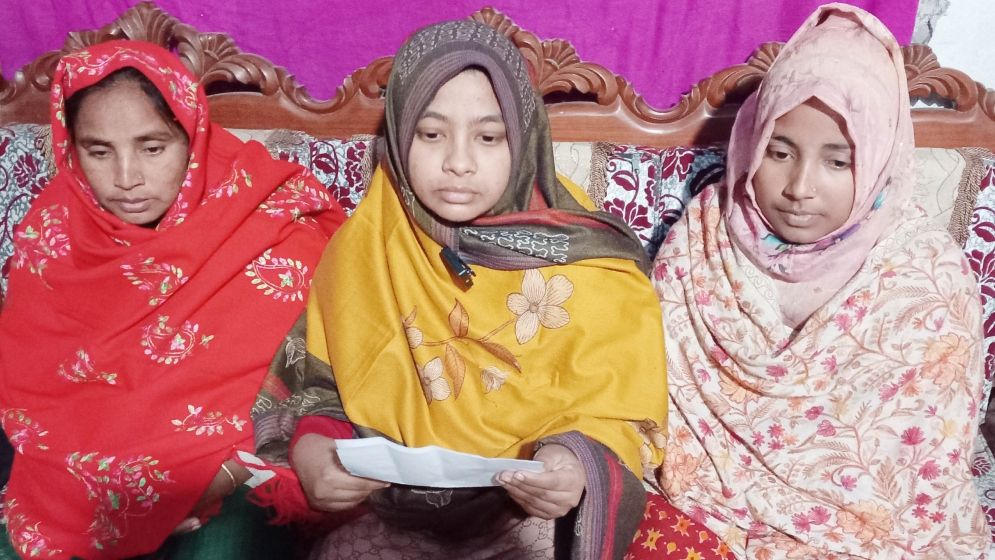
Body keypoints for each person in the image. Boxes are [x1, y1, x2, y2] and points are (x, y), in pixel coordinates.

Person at [253, 19, 667, 559]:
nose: (458, 162)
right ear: (400, 134)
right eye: (431, 134)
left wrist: (571, 466)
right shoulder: (367, 245)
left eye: (488, 138)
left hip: (528, 516)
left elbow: (619, 410)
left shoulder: (591, 260)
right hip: (390, 511)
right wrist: (316, 454)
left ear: (524, 140)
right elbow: (322, 385)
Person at [652, 3, 990, 558]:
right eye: (779, 152)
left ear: (878, 159)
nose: (800, 187)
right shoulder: (706, 231)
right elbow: (648, 386)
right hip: (705, 510)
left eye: (838, 162)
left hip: (870, 532)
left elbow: (920, 463)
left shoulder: (926, 275)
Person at [0, 40, 345, 559]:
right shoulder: (53, 237)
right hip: (80, 476)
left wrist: (209, 481)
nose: (126, 178)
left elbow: (307, 383)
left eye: (152, 148)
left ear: (192, 136)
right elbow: (36, 398)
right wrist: (118, 502)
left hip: (231, 473)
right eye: (99, 152)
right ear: (71, 151)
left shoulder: (272, 223)